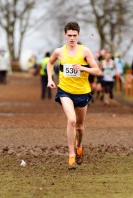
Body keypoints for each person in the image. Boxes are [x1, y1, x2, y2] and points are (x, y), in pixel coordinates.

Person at [47, 22, 101, 170]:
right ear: (65, 35)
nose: (72, 38)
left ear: (78, 35)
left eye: (74, 35)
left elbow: (97, 71)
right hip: (65, 91)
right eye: (69, 35)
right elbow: (50, 63)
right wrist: (50, 79)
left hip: (82, 92)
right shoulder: (59, 52)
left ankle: (79, 145)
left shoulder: (85, 52)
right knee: (71, 120)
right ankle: (71, 153)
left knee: (79, 126)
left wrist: (83, 68)